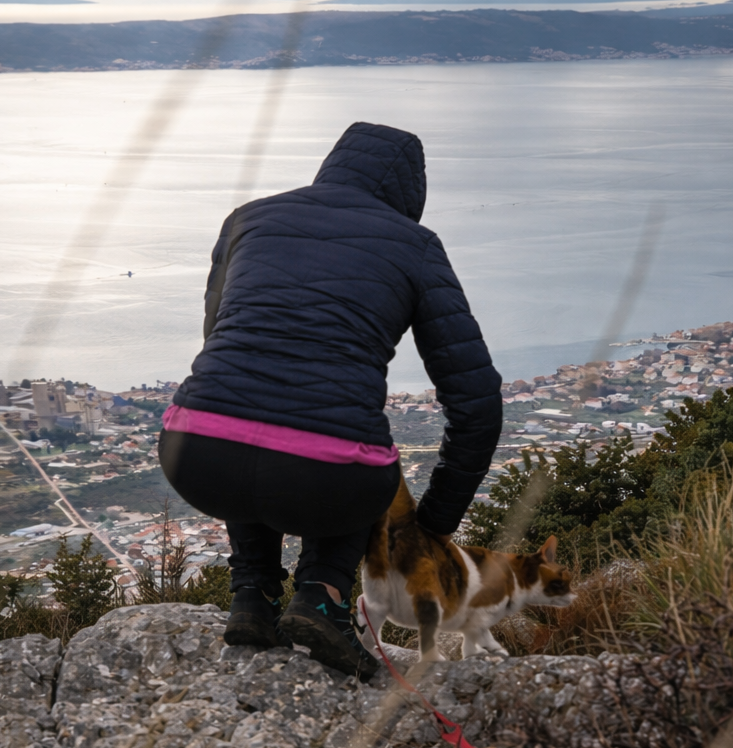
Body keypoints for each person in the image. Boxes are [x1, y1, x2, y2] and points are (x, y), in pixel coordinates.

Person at [158, 121, 502, 678]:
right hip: (327, 480)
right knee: (354, 449)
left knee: (250, 415)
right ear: (411, 193)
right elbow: (478, 401)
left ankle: (252, 595)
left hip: (193, 453)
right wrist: (434, 522)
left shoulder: (247, 218)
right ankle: (322, 596)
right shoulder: (415, 246)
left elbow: (216, 335)